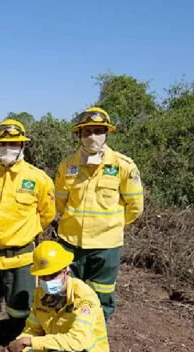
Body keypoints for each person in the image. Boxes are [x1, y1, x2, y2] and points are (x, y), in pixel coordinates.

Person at [0, 119, 55, 348]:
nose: (8, 147)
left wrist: (21, 235)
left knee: (20, 314)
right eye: (3, 143)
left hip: (21, 261)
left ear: (23, 146)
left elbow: (46, 215)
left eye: (14, 143)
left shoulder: (38, 178)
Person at [55, 107, 144, 321]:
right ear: (79, 135)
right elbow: (59, 203)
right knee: (68, 293)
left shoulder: (123, 166)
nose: (92, 136)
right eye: (87, 132)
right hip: (70, 243)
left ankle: (94, 342)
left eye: (98, 131)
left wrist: (111, 227)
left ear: (107, 133)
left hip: (106, 247)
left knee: (100, 297)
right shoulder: (67, 166)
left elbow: (135, 207)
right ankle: (68, 340)